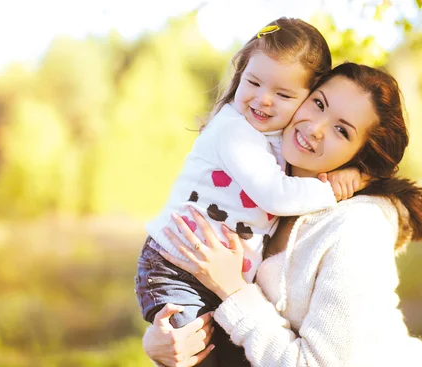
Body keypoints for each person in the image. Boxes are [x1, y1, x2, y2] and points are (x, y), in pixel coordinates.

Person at [143, 62, 422, 366]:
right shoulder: (266, 193)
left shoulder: (357, 229)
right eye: (318, 103)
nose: (315, 128)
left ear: (361, 154)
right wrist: (163, 340)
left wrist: (232, 288)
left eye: (341, 130)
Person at [135, 17, 366, 367]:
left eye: (283, 94)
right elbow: (275, 194)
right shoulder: (235, 131)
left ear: (305, 98)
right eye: (253, 82)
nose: (264, 100)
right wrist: (330, 190)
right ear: (240, 74)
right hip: (176, 263)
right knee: (193, 353)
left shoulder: (275, 141)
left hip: (212, 276)